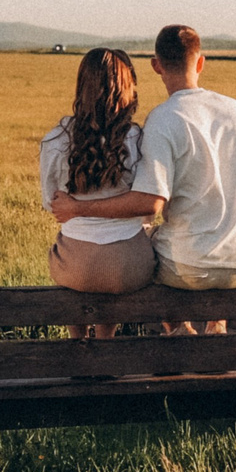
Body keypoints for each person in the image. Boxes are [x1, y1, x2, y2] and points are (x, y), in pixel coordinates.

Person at [51, 24, 236, 333]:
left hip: (191, 267)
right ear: (200, 62)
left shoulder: (163, 118)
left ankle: (178, 328)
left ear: (156, 66)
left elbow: (150, 203)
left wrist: (78, 209)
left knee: (142, 251)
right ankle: (217, 323)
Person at [39, 48, 155, 338]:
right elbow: (148, 206)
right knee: (120, 269)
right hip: (129, 266)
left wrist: (79, 207)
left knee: (71, 261)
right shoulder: (137, 139)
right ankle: (105, 339)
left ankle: (78, 342)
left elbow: (50, 204)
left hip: (74, 264)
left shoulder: (56, 138)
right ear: (127, 89)